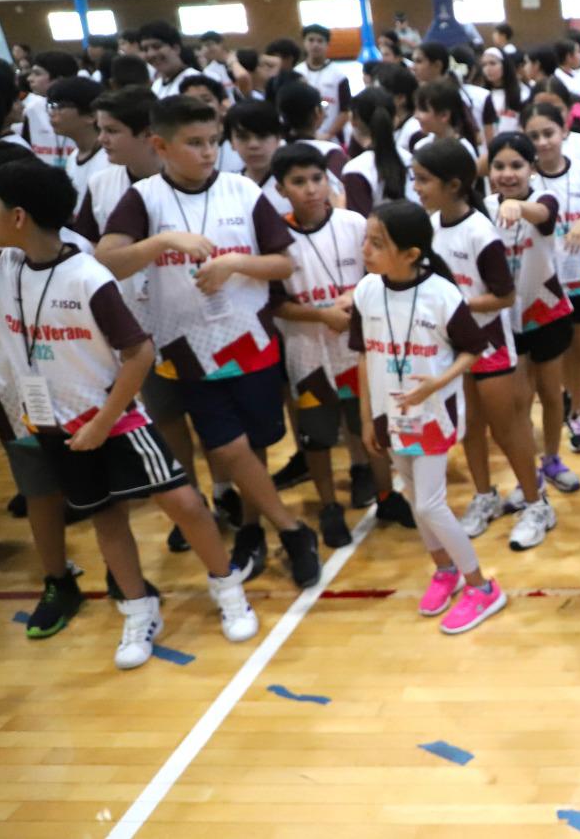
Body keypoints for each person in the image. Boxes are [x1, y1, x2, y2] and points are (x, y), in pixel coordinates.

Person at [0, 158, 260, 668]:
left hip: (113, 417)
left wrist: (102, 421)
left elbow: (140, 354)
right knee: (104, 518)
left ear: (19, 217)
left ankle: (227, 587)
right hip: (52, 421)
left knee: (183, 503)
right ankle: (139, 606)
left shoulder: (88, 276)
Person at [96, 95, 323, 587]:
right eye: (194, 143)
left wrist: (235, 264)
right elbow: (107, 260)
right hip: (185, 349)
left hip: (249, 340)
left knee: (253, 446)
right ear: (160, 145)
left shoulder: (241, 190)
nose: (207, 153)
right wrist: (162, 241)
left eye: (213, 142)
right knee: (226, 446)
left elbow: (284, 263)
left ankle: (254, 525)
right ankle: (290, 529)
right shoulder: (145, 198)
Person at [352, 201, 509, 633]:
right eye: (366, 239)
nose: (365, 249)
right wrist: (368, 418)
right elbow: (365, 356)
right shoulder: (367, 291)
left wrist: (434, 385)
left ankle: (482, 586)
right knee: (411, 494)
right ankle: (445, 570)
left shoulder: (441, 294)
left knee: (430, 502)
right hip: (390, 415)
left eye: (377, 243)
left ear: (411, 253)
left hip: (434, 414)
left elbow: (473, 350)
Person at [412, 139, 556, 547]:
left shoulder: (480, 231)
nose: (417, 188)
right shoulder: (431, 228)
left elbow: (505, 296)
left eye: (423, 180)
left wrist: (453, 306)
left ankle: (535, 502)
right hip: (452, 346)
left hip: (490, 343)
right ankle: (484, 496)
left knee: (506, 428)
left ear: (453, 184)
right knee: (470, 427)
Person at [268, 144, 410, 540]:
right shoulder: (276, 235)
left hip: (358, 346)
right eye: (299, 182)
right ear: (281, 189)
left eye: (317, 179)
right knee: (317, 435)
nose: (311, 189)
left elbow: (383, 271)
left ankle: (386, 494)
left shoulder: (353, 224)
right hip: (308, 351)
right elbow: (276, 303)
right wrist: (321, 315)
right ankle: (330, 505)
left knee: (369, 424)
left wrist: (355, 297)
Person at [485, 132, 580, 496]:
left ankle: (553, 458)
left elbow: (542, 215)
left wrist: (517, 207)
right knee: (520, 399)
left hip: (547, 312)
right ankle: (530, 473)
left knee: (551, 393)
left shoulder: (544, 198)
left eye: (516, 165)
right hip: (507, 319)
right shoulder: (482, 207)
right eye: (499, 166)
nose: (507, 174)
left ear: (531, 168)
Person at [524, 100, 580, 454]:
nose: (542, 142)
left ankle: (578, 410)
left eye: (549, 133)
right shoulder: (524, 178)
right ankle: (553, 410)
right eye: (534, 136)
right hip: (543, 281)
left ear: (564, 132)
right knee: (551, 355)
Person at [341, 87, 415, 219]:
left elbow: (361, 225)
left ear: (353, 120)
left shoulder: (356, 170)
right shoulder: (412, 159)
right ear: (395, 119)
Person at [46, 76, 107, 204]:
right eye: (51, 106)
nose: (52, 113)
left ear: (91, 116)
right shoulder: (73, 157)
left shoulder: (109, 160)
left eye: (61, 106)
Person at [294, 24, 352, 144]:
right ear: (304, 42)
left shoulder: (338, 75)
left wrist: (328, 134)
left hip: (332, 139)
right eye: (311, 40)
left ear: (327, 44)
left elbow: (345, 111)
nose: (315, 44)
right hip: (303, 138)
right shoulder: (297, 73)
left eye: (320, 41)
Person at [138, 21, 202, 99]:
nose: (151, 54)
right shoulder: (157, 85)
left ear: (176, 49)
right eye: (145, 49)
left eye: (156, 46)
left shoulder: (196, 81)